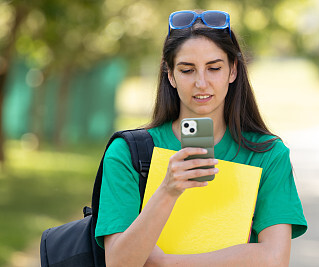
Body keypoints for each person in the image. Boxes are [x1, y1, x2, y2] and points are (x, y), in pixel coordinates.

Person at [95, 10, 307, 266]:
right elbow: (119, 262)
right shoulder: (128, 153)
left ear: (233, 71)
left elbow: (274, 259)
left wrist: (164, 263)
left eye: (214, 68)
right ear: (170, 75)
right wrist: (167, 190)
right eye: (187, 70)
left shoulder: (267, 154)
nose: (202, 83)